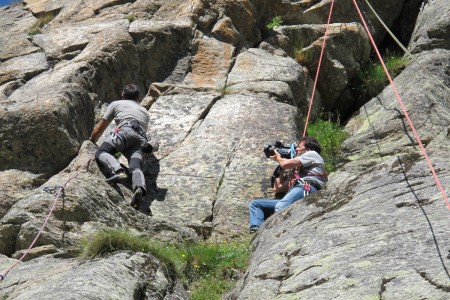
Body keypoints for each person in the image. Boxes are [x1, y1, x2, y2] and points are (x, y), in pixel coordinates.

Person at [89, 83, 150, 213]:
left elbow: (100, 127)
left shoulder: (116, 104)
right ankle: (139, 187)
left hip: (124, 133)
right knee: (135, 166)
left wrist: (92, 141)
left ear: (123, 94)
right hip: (140, 140)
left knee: (102, 152)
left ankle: (118, 171)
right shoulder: (144, 111)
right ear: (138, 98)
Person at [248, 136, 327, 233]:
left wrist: (280, 160)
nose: (296, 149)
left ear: (308, 148)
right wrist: (281, 166)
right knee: (256, 204)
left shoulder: (312, 154)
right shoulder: (298, 170)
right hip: (298, 190)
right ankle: (256, 231)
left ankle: (275, 233)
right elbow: (278, 188)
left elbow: (285, 164)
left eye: (299, 147)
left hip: (307, 187)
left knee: (280, 206)